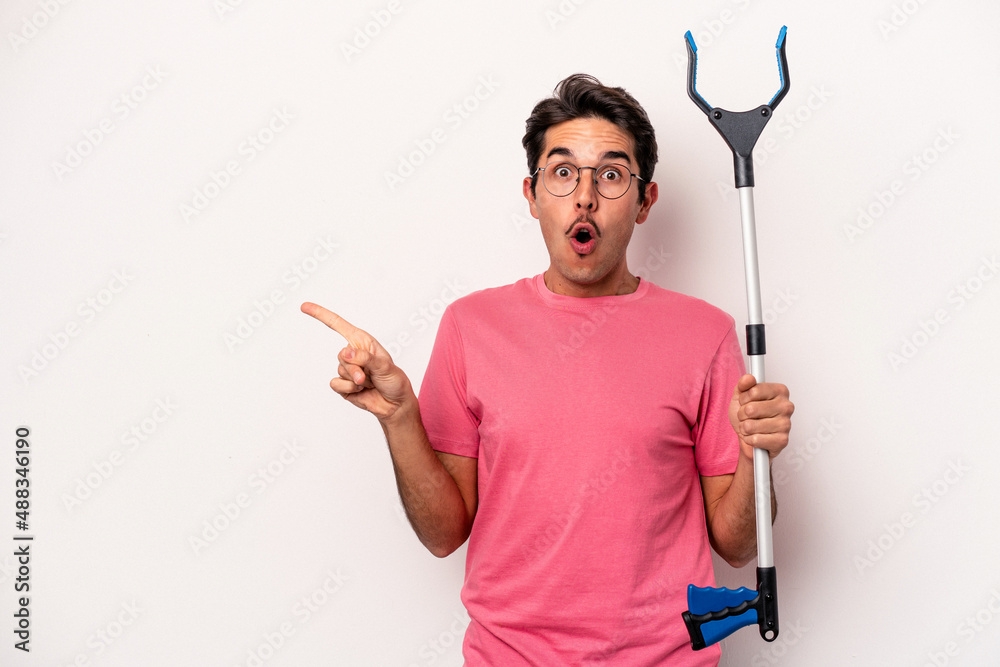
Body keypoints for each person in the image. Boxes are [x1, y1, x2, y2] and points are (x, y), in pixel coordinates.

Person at [302, 73, 794, 665]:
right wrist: (400, 418)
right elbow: (442, 535)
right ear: (533, 195)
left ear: (644, 202)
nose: (585, 197)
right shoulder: (470, 326)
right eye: (563, 173)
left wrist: (753, 453)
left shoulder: (705, 334)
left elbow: (739, 546)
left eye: (612, 175)